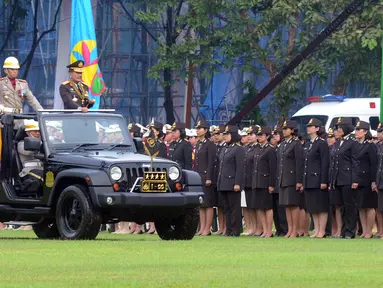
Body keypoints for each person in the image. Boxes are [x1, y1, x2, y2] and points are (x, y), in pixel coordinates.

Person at [331, 117, 359, 239]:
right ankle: (343, 230)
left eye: (340, 127)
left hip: (348, 178)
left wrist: (355, 180)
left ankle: (350, 231)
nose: (338, 130)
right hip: (338, 178)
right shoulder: (338, 143)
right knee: (341, 206)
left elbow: (355, 162)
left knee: (350, 206)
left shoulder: (352, 143)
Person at [303, 118, 330, 238]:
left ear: (317, 128)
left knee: (321, 206)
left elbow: (325, 163)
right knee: (313, 206)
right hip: (309, 179)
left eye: (311, 126)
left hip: (318, 178)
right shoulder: (309, 143)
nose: (309, 128)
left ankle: (322, 230)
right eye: (308, 126)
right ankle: (317, 229)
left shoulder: (322, 143)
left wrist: (324, 180)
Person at [277, 120, 303, 238]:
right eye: (283, 128)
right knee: (286, 205)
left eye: (286, 128)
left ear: (292, 131)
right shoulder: (283, 144)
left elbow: (299, 163)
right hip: (283, 178)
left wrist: (299, 180)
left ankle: (295, 230)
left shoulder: (296, 144)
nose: (284, 131)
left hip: (292, 178)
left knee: (293, 205)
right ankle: (290, 229)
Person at [217, 126, 245, 237]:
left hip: (233, 182)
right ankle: (228, 229)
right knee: (226, 208)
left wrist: (237, 183)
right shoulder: (225, 148)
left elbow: (240, 168)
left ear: (233, 135)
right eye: (224, 134)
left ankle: (236, 229)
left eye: (227, 134)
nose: (224, 136)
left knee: (235, 208)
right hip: (223, 182)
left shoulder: (238, 149)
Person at [354, 121, 377, 239]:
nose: (356, 131)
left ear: (365, 131)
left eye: (359, 129)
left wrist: (374, 181)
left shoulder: (370, 145)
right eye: (356, 129)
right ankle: (364, 231)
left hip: (368, 179)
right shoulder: (357, 145)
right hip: (358, 179)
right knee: (361, 206)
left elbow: (374, 164)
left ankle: (369, 231)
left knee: (369, 206)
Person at [252, 126, 276, 238]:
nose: (259, 137)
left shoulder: (270, 149)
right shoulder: (258, 149)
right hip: (257, 181)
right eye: (258, 135)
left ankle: (269, 230)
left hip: (266, 181)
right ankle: (264, 229)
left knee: (267, 207)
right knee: (259, 207)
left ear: (267, 136)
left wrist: (271, 184)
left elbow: (273, 168)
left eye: (261, 135)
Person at [194, 120, 216, 236]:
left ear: (206, 130)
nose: (198, 130)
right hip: (199, 176)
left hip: (207, 176)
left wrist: (209, 177)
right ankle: (202, 228)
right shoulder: (198, 144)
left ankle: (208, 228)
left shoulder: (210, 144)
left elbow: (211, 162)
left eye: (200, 128)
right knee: (201, 204)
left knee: (208, 203)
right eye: (197, 128)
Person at [243, 126, 260, 236]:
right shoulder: (246, 148)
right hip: (246, 180)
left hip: (254, 180)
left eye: (251, 134)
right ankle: (250, 227)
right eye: (248, 134)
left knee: (255, 206)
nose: (249, 136)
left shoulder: (258, 148)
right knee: (247, 206)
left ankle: (257, 227)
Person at [271, 126, 288, 236]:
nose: (274, 137)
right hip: (274, 180)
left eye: (277, 134)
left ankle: (284, 228)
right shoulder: (275, 148)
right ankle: (278, 229)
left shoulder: (282, 147)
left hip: (281, 180)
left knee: (281, 208)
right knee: (275, 208)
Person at [211, 125, 226, 235]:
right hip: (216, 179)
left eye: (218, 134)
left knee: (224, 205)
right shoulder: (215, 147)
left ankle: (225, 227)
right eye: (214, 134)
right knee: (219, 205)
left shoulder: (226, 147)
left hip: (224, 179)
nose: (215, 136)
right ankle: (221, 227)